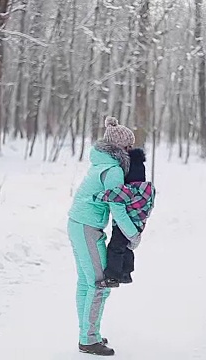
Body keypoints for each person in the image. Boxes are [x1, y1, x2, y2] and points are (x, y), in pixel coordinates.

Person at [67, 116, 140, 356]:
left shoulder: (100, 163)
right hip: (87, 227)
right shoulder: (114, 171)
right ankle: (89, 339)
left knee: (86, 283)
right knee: (100, 284)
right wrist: (133, 234)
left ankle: (88, 334)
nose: (131, 151)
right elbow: (118, 207)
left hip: (78, 224)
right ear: (121, 148)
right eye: (129, 147)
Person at [93, 148, 155, 288]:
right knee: (126, 247)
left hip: (124, 225)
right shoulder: (149, 190)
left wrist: (97, 196)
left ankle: (113, 277)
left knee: (115, 247)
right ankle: (126, 273)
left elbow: (113, 195)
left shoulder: (128, 191)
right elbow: (151, 207)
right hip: (139, 223)